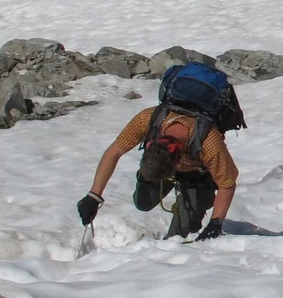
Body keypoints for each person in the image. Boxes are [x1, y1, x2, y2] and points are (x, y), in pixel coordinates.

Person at [77, 63, 243, 240]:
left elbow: (227, 182)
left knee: (180, 236)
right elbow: (114, 152)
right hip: (165, 163)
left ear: (178, 162)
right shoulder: (148, 119)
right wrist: (94, 196)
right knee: (143, 202)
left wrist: (215, 223)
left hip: (197, 174)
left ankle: (189, 207)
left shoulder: (208, 140)